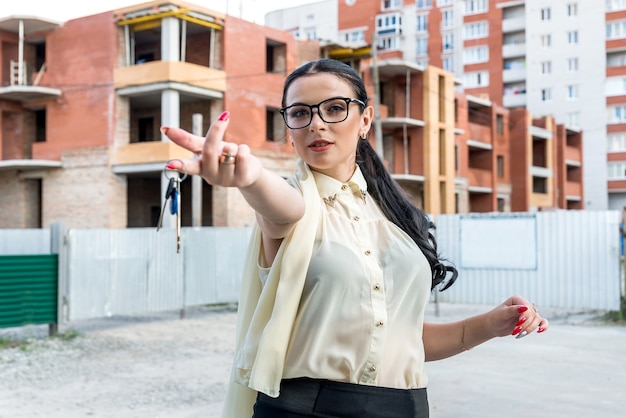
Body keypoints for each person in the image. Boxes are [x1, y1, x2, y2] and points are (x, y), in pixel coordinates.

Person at [161, 58, 549, 418]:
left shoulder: (394, 219)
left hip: (406, 405)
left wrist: (493, 324)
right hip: (306, 409)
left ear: (365, 120)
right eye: (300, 113)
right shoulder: (294, 204)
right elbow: (281, 206)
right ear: (288, 129)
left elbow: (407, 339)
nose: (316, 124)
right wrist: (248, 178)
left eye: (333, 108)